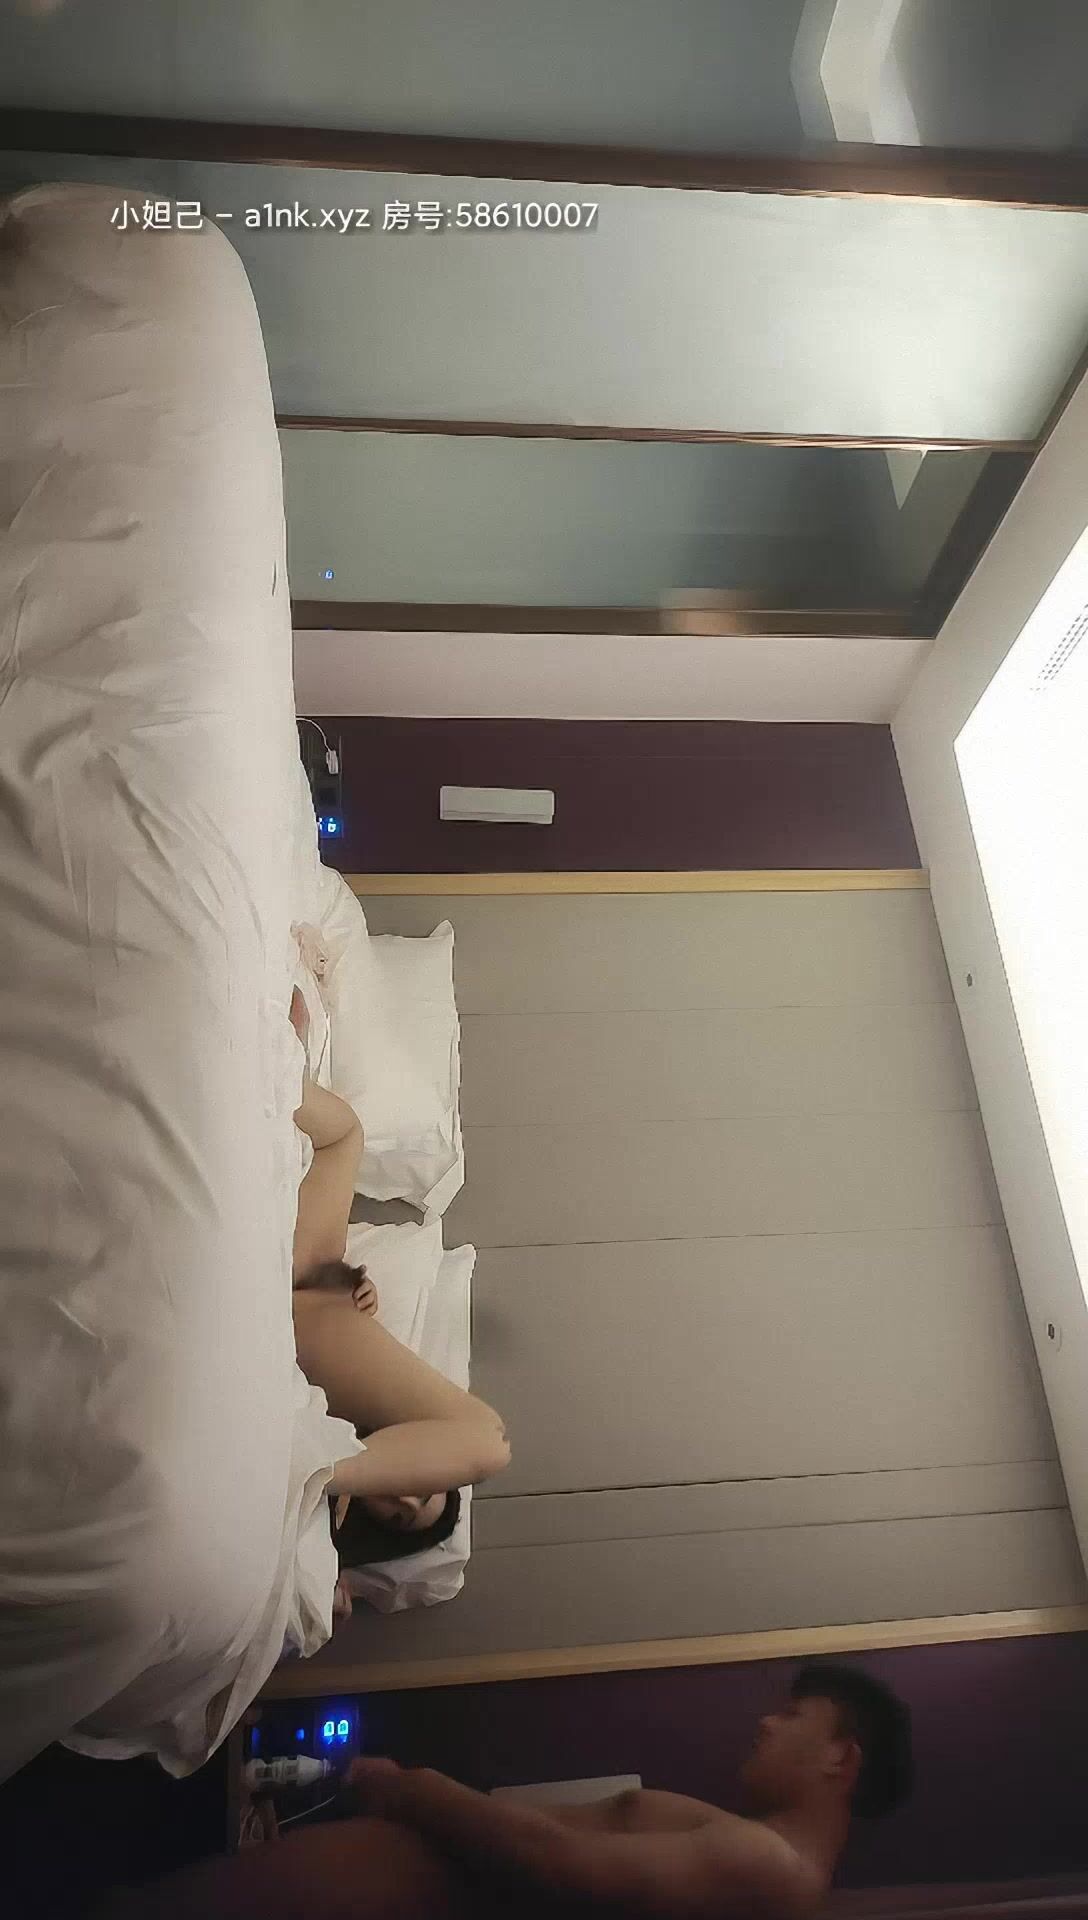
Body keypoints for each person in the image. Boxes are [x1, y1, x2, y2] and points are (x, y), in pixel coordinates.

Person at [104, 1663, 913, 1919]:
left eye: (793, 1716)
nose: (767, 1723)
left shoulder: (776, 1869)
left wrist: (411, 1791)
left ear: (839, 1758)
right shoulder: (766, 1859)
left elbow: (564, 1866)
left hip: (400, 1890)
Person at [288, 989, 510, 1579]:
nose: (405, 1496)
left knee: (488, 1443)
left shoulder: (331, 1480)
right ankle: (281, 1071)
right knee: (346, 1135)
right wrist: (361, 1298)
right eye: (426, 1483)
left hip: (298, 1310)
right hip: (317, 1285)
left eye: (399, 1515)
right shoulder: (377, 1401)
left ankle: (280, 1068)